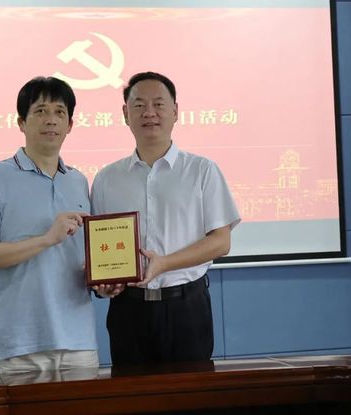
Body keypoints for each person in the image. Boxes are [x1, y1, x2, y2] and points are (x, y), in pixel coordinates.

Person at [91, 72, 241, 365]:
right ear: (125, 114)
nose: (149, 113)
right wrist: (106, 283)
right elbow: (100, 247)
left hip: (186, 307)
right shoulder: (107, 179)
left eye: (158, 104)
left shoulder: (202, 171)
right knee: (130, 390)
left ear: (175, 112)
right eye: (139, 105)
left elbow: (221, 242)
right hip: (128, 311)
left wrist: (165, 263)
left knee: (191, 390)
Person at [0, 76, 98, 376]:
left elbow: (81, 258)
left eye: (59, 112)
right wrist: (46, 239)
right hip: (19, 347)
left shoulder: (78, 181)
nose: (51, 120)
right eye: (40, 111)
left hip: (79, 343)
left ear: (70, 125)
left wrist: (103, 280)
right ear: (21, 122)